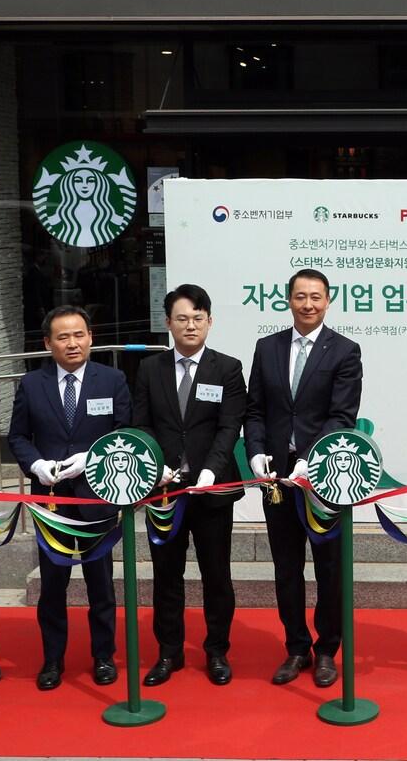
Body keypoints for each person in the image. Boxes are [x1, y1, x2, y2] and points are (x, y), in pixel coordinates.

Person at [245, 267, 362, 688]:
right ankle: (296, 647)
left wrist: (311, 459)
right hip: (276, 479)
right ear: (288, 300)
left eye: (316, 297)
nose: (308, 304)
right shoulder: (267, 347)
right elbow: (255, 409)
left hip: (327, 478)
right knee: (286, 567)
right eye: (300, 296)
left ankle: (328, 649)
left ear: (327, 301)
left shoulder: (345, 351)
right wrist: (256, 452)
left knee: (329, 568)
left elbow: (342, 416)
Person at [8, 305, 130, 691]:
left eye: (79, 335)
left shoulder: (112, 380)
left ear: (91, 337)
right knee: (52, 585)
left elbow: (124, 431)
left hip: (98, 496)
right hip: (52, 500)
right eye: (63, 337)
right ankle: (52, 660)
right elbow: (17, 437)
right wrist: (36, 466)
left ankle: (103, 657)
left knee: (102, 585)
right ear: (48, 343)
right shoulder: (32, 384)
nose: (72, 343)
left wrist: (93, 457)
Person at [132, 284, 246, 688]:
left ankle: (217, 651)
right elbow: (142, 423)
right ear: (168, 323)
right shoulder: (150, 369)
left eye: (198, 318)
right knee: (166, 574)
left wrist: (212, 469)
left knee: (217, 574)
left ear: (210, 322)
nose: (191, 325)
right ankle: (169, 652)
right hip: (163, 490)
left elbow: (230, 425)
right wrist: (155, 466)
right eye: (182, 318)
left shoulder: (227, 368)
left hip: (213, 492)